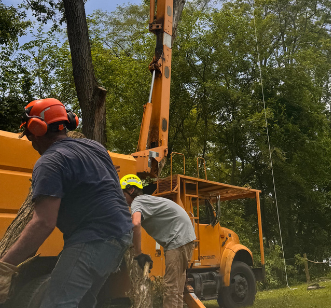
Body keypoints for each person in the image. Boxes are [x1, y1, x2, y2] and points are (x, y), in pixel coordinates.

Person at [0, 98, 132, 307]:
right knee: (82, 302)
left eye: (29, 134)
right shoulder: (95, 147)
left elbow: (43, 222)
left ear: (37, 129)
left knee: (57, 303)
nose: (31, 141)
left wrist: (5, 266)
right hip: (120, 236)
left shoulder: (51, 161)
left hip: (93, 238)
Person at [120, 174, 196, 308]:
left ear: (131, 190)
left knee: (171, 288)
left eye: (123, 193)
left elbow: (136, 224)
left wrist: (139, 254)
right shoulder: (147, 200)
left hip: (177, 239)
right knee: (177, 289)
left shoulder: (138, 201)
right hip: (186, 238)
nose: (122, 197)